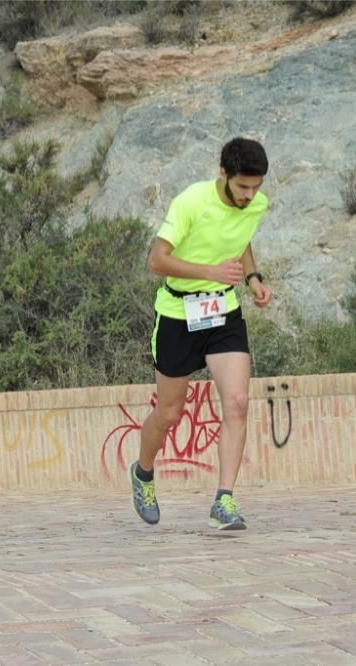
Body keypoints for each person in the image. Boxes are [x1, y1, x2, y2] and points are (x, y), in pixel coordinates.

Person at [129, 137, 273, 530]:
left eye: (256, 187)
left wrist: (252, 278)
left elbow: (240, 240)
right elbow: (156, 261)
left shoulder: (256, 205)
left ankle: (224, 500)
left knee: (239, 402)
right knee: (170, 412)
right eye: (243, 186)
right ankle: (143, 473)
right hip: (178, 313)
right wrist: (209, 271)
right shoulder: (191, 202)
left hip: (223, 311)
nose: (250, 195)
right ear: (223, 174)